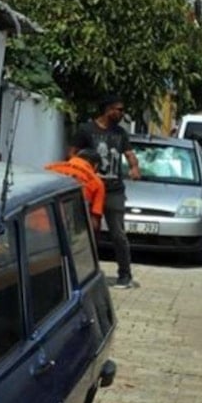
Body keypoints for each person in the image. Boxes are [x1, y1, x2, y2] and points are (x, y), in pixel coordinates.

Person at [72, 96, 141, 289]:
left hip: (113, 191)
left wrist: (134, 167)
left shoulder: (120, 133)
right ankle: (84, 272)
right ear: (108, 109)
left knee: (118, 234)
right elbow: (72, 153)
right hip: (91, 189)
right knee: (87, 231)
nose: (122, 113)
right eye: (119, 109)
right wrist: (79, 173)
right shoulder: (86, 130)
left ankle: (125, 274)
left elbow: (129, 153)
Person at [45, 139, 106, 232]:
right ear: (96, 166)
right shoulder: (97, 182)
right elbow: (94, 222)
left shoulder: (49, 168)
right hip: (63, 230)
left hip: (33, 223)